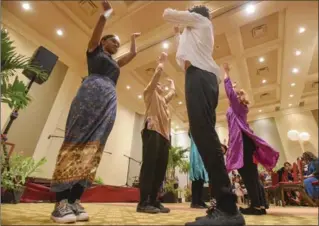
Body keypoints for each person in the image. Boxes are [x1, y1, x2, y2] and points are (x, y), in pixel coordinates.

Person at [50, 1, 140, 223]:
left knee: (95, 147)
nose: (117, 45)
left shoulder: (114, 63)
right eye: (113, 41)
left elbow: (132, 55)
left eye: (119, 43)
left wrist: (135, 40)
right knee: (76, 141)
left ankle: (74, 200)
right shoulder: (94, 52)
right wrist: (106, 14)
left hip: (108, 103)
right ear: (103, 42)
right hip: (88, 98)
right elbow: (97, 32)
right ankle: (60, 203)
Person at [163, 5, 245, 226]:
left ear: (196, 14)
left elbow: (168, 13)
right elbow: (181, 55)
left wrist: (181, 16)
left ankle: (228, 210)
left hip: (200, 76)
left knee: (204, 135)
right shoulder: (194, 32)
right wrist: (177, 34)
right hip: (198, 76)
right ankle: (224, 205)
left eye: (191, 11)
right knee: (202, 135)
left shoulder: (201, 21)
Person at [222, 63, 279, 215]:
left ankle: (256, 206)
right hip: (242, 144)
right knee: (251, 175)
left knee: (248, 174)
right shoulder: (235, 109)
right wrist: (233, 88)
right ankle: (260, 205)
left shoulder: (239, 107)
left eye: (238, 94)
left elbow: (230, 95)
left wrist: (226, 74)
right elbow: (231, 99)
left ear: (241, 98)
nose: (235, 95)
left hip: (243, 145)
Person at [137, 52, 176, 214]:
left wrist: (173, 83)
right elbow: (153, 82)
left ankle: (154, 200)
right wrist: (160, 65)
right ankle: (143, 202)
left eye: (161, 85)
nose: (160, 85)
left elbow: (172, 94)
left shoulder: (163, 102)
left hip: (164, 136)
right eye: (158, 85)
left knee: (160, 169)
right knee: (150, 167)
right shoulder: (150, 94)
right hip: (152, 131)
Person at [188, 132, 209, 209]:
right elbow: (190, 133)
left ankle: (200, 200)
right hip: (196, 155)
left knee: (201, 179)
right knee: (196, 178)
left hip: (202, 155)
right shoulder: (193, 132)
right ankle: (194, 202)